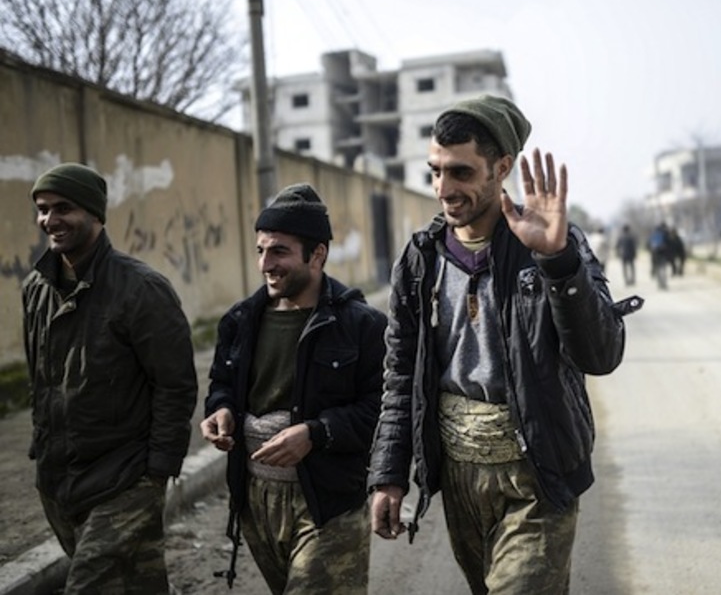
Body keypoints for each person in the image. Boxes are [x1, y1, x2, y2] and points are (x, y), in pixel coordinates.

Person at [367, 95, 628, 595]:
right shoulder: (421, 260)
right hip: (462, 479)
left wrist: (557, 261)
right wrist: (389, 474)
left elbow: (602, 354)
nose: (444, 188)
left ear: (501, 167)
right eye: (435, 171)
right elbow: (401, 376)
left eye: (461, 172)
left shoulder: (548, 244)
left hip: (538, 474)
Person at [200, 184, 387, 594]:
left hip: (326, 503)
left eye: (279, 251)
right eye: (261, 250)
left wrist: (316, 433)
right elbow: (222, 384)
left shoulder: (362, 326)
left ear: (317, 254)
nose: (266, 263)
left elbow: (383, 411)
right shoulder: (239, 320)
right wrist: (220, 410)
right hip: (255, 502)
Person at [22, 163, 197, 594]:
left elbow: (176, 385)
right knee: (138, 585)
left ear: (96, 214)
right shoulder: (36, 288)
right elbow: (40, 379)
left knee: (87, 586)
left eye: (64, 208)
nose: (50, 220)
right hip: (59, 481)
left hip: (124, 480)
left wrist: (158, 472)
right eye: (43, 209)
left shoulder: (141, 289)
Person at [648, 222, 670, 290]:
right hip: (663, 255)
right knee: (663, 269)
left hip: (655, 255)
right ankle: (664, 284)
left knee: (658, 270)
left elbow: (648, 245)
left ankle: (659, 284)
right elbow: (668, 244)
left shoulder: (652, 235)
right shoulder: (664, 234)